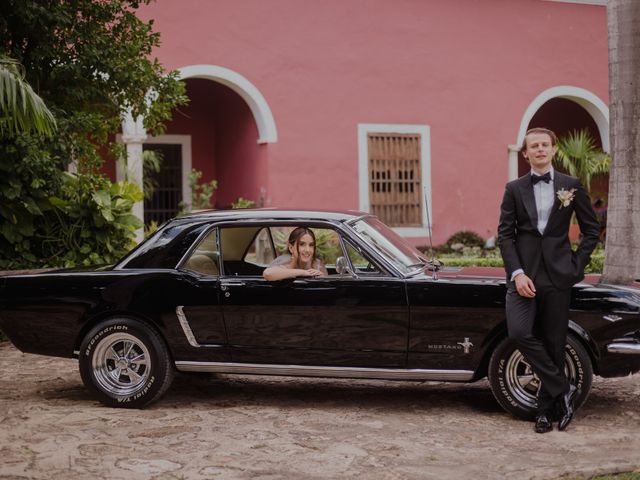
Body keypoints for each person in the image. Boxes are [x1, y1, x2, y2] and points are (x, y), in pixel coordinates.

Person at [498, 127, 600, 433]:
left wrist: (575, 265)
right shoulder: (514, 188)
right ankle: (563, 388)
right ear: (526, 153)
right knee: (519, 332)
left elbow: (591, 230)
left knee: (554, 343)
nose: (540, 149)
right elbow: (505, 236)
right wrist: (516, 273)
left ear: (553, 150)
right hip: (524, 277)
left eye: (545, 145)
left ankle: (545, 412)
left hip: (559, 277)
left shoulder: (571, 185)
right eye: (534, 146)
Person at [263, 227, 328, 280]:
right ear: (291, 248)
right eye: (302, 244)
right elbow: (267, 273)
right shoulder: (286, 267)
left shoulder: (318, 266)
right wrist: (303, 272)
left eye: (311, 245)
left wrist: (321, 278)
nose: (308, 250)